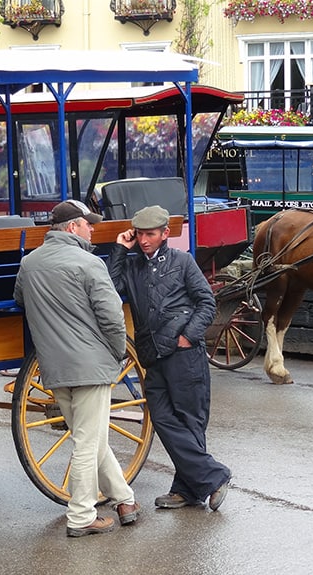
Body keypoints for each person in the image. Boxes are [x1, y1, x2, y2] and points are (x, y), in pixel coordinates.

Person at [14, 199, 141, 537]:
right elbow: (112, 316)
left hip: (54, 368)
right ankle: (81, 516)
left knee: (91, 437)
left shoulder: (29, 263)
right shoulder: (89, 263)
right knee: (87, 443)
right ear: (72, 228)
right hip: (90, 365)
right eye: (88, 224)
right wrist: (117, 354)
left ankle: (124, 499)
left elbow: (20, 299)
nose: (93, 229)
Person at [107, 204, 231, 511]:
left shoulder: (182, 261)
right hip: (153, 355)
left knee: (190, 421)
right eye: (140, 234)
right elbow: (110, 288)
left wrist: (188, 336)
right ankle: (211, 477)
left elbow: (206, 302)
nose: (144, 240)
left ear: (165, 234)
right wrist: (120, 250)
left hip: (183, 354)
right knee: (162, 419)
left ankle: (186, 490)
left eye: (150, 234)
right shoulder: (133, 266)